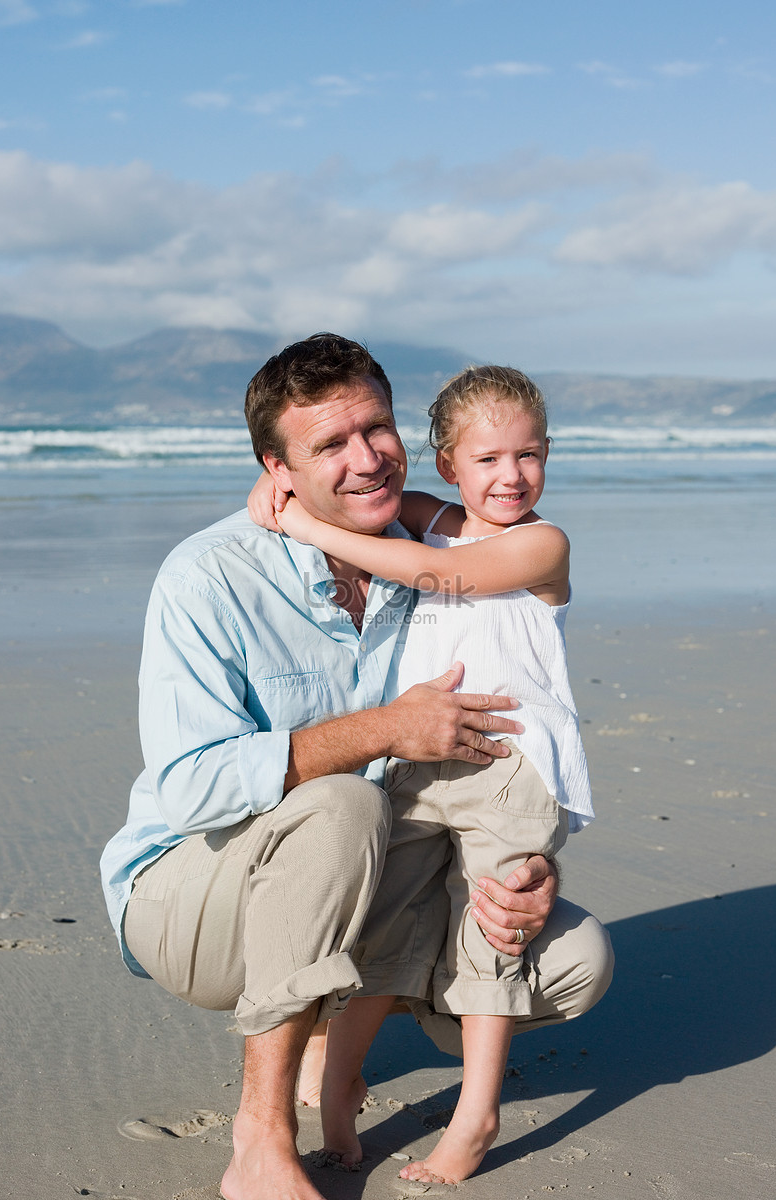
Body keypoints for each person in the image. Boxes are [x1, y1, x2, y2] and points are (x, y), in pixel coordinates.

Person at [99, 334, 613, 1200]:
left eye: (374, 427)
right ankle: (260, 1141)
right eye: (328, 445)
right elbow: (194, 789)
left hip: (365, 868)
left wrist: (531, 861)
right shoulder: (208, 576)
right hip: (197, 890)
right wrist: (384, 729)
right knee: (341, 807)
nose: (365, 458)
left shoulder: (426, 548)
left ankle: (326, 1035)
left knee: (573, 957)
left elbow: (487, 708)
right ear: (278, 469)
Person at [260, 364, 599, 1184]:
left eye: (527, 456)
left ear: (547, 456)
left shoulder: (539, 544)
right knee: (386, 917)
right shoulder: (433, 515)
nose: (510, 476)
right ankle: (339, 1079)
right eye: (486, 460)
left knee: (490, 927)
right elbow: (347, 491)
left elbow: (436, 575)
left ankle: (473, 1116)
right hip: (420, 762)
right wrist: (283, 496)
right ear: (448, 465)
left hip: (511, 764)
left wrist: (310, 531)